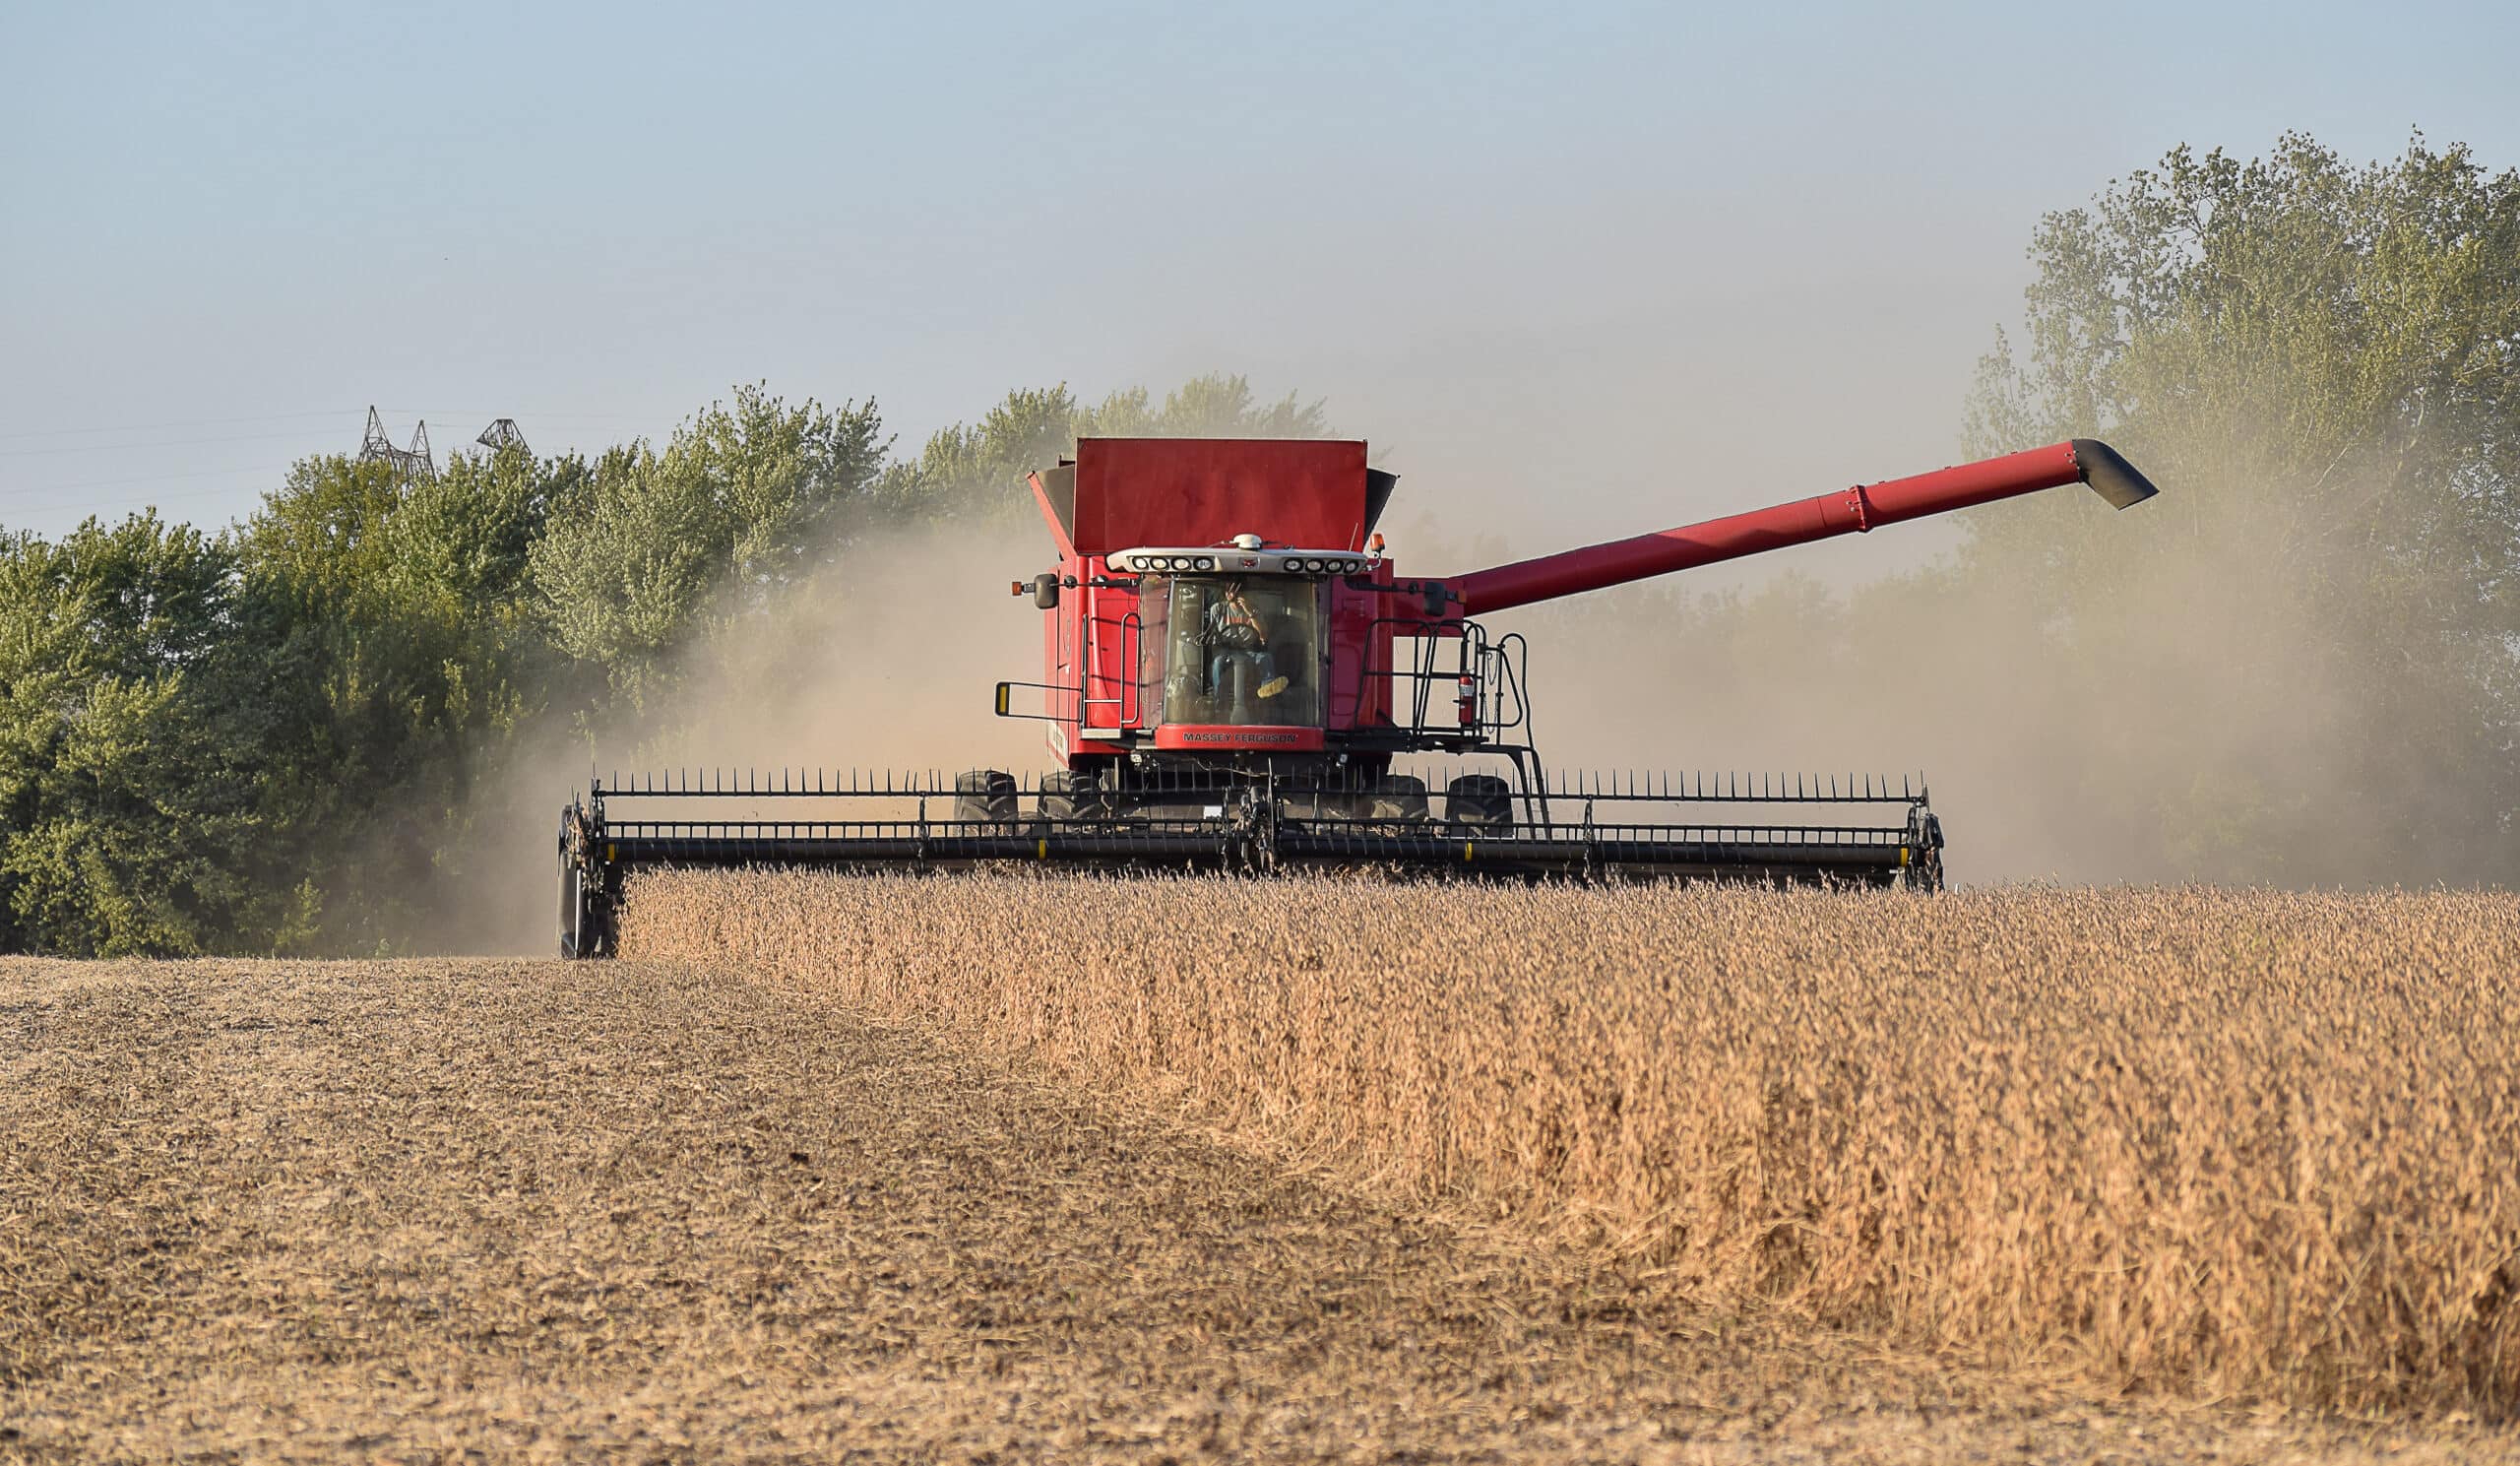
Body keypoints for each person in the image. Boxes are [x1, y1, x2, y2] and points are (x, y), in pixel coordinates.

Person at [1206, 582, 1289, 715]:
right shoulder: (1218, 609)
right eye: (1229, 591)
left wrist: (1250, 613)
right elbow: (1212, 633)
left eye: (1237, 592)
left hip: (1249, 650)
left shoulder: (1254, 609)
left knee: (1266, 658)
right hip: (1226, 649)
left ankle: (1267, 691)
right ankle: (1219, 700)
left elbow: (1264, 635)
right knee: (1217, 663)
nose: (1232, 595)